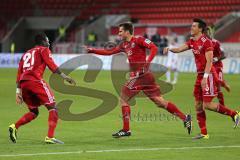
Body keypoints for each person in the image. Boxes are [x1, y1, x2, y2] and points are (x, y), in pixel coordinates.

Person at [85, 22, 192, 138]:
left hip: (139, 76)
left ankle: (126, 130)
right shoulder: (123, 44)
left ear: (127, 31)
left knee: (123, 99)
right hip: (145, 77)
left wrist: (148, 61)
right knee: (160, 102)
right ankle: (185, 118)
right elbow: (110, 52)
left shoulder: (139, 40)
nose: (119, 33)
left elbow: (154, 47)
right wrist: (93, 50)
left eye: (120, 31)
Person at [163, 18, 240, 139]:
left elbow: (210, 61)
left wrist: (205, 77)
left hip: (207, 75)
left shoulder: (206, 42)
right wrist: (170, 49)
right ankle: (204, 133)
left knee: (207, 104)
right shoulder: (192, 41)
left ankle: (234, 114)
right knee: (198, 105)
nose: (191, 28)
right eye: (191, 26)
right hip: (199, 75)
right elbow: (178, 49)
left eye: (194, 26)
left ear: (200, 29)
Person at [9, 33, 76, 144]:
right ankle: (50, 137)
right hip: (35, 81)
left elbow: (19, 72)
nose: (49, 43)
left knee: (34, 111)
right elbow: (51, 64)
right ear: (43, 41)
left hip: (24, 83)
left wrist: (18, 91)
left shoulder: (26, 53)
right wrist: (65, 77)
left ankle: (14, 126)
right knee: (53, 107)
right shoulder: (43, 50)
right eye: (47, 40)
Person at [206, 27, 230, 105]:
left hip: (218, 67)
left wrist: (216, 59)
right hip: (210, 67)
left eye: (207, 33)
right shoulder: (203, 43)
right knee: (212, 86)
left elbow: (223, 55)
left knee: (218, 87)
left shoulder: (216, 42)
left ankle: (222, 106)